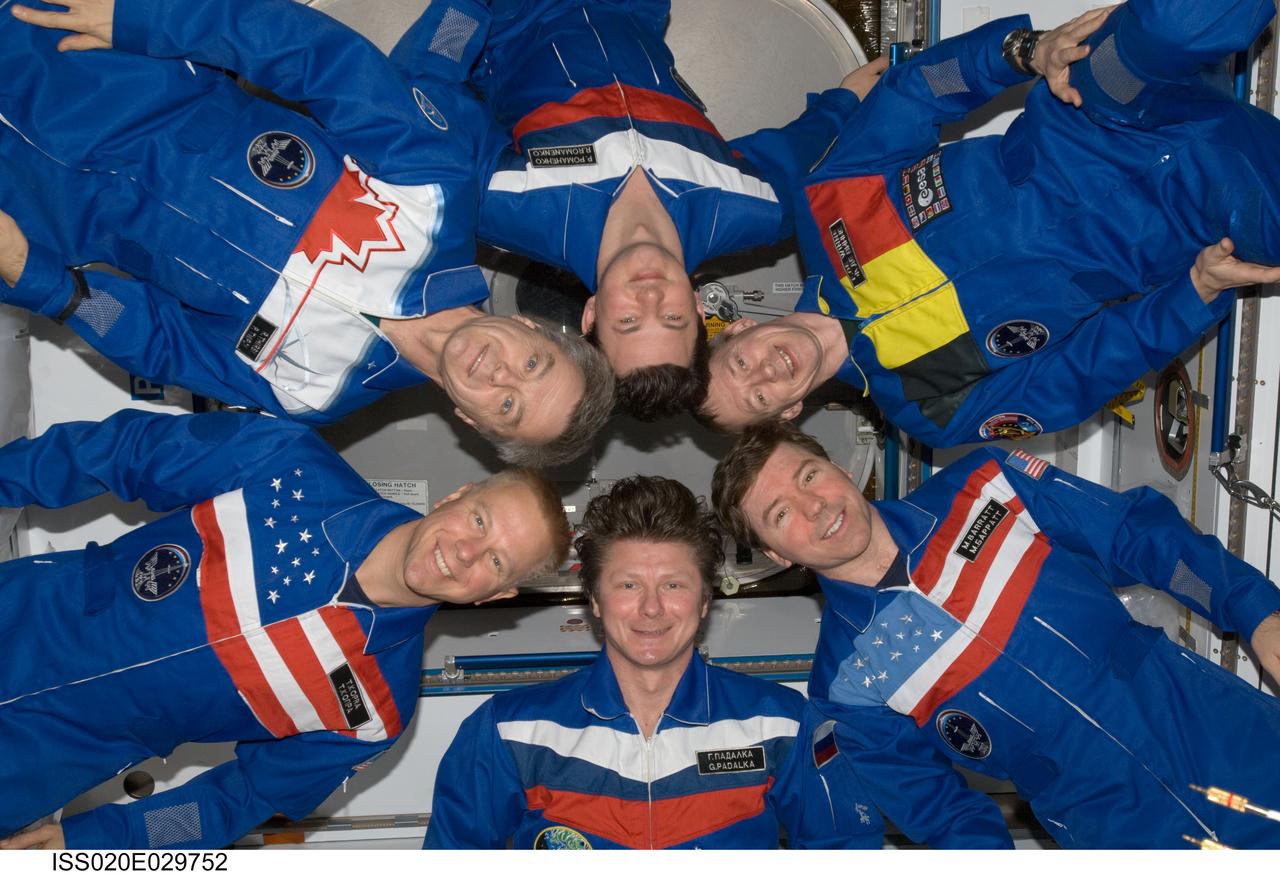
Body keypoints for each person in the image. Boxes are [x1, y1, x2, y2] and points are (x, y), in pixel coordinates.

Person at [2, 0, 615, 467]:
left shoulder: (316, 396)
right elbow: (314, 56)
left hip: (45, 215)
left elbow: (165, 346)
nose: (500, 375)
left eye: (508, 407)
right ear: (532, 326)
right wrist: (148, 17)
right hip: (105, 78)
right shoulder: (436, 195)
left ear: (473, 423)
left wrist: (45, 282)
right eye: (533, 363)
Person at [700, 1, 1280, 445]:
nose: (768, 371)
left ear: (739, 328)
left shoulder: (826, 207)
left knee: (1176, 21)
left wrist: (1026, 52)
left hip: (1097, 111)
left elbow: (915, 94)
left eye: (742, 363)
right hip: (1191, 222)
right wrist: (1196, 293)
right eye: (758, 396)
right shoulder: (929, 410)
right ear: (786, 412)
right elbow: (1084, 373)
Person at [0, 409, 573, 850]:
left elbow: (242, 800)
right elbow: (122, 451)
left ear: (498, 595)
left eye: (497, 562)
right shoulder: (292, 465)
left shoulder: (375, 715)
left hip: (40, 761)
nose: (466, 552)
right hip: (23, 611)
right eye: (479, 520)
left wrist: (93, 845)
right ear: (455, 496)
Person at [711, 420, 1280, 848]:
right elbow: (940, 815)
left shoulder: (987, 484)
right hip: (1112, 827)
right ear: (774, 554)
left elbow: (1137, 535)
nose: (814, 507)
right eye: (781, 515)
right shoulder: (843, 689)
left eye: (809, 476)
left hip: (1219, 727)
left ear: (837, 467)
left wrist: (1256, 612)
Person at [403, 0, 869, 419]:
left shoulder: (505, 206)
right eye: (672, 319)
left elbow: (422, 100)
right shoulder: (753, 206)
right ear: (694, 306)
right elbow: (811, 150)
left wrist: (468, 5)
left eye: (627, 322)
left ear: (591, 316)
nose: (650, 298)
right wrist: (851, 102)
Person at [424, 475, 884, 849]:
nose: (650, 608)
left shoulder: (782, 723)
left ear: (705, 600)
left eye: (674, 585)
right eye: (627, 585)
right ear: (595, 601)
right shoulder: (506, 731)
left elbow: (845, 846)